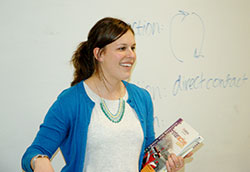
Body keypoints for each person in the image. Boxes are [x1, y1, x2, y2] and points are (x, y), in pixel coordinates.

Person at [21, 17, 192, 172]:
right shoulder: (71, 101)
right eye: (122, 48)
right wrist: (39, 160)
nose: (131, 55)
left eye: (132, 48)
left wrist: (168, 161)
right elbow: (34, 152)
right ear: (99, 54)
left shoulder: (142, 98)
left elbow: (148, 158)